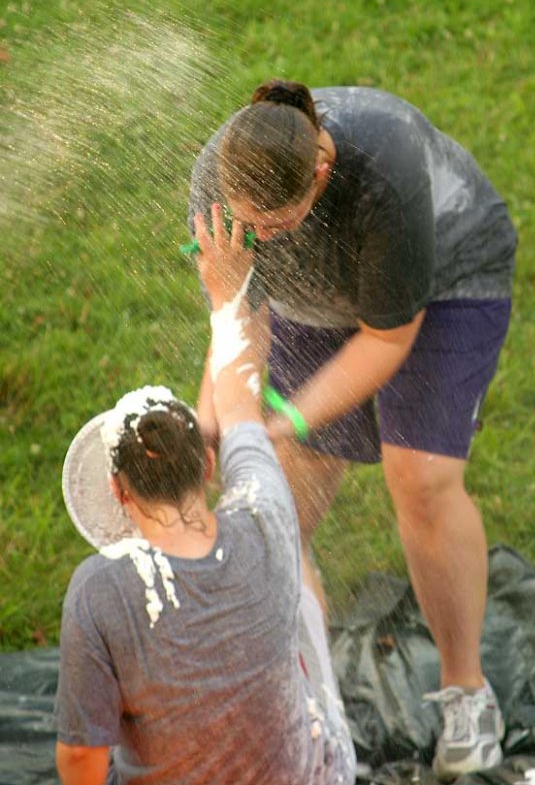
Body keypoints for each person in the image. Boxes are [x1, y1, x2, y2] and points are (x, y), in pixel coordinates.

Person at [189, 79, 517, 779]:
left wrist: (290, 416)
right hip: (315, 299)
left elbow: (387, 341)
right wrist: (214, 419)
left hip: (447, 276)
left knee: (419, 477)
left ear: (320, 172)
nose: (257, 237)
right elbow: (235, 312)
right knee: (274, 499)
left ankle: (468, 694)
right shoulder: (219, 181)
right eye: (247, 227)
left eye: (273, 226)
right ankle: (305, 709)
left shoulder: (382, 175)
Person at [54, 212, 357, 785]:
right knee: (296, 575)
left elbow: (82, 763)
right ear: (209, 464)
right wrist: (228, 292)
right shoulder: (267, 515)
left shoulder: (99, 594)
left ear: (119, 492)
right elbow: (240, 402)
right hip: (316, 775)